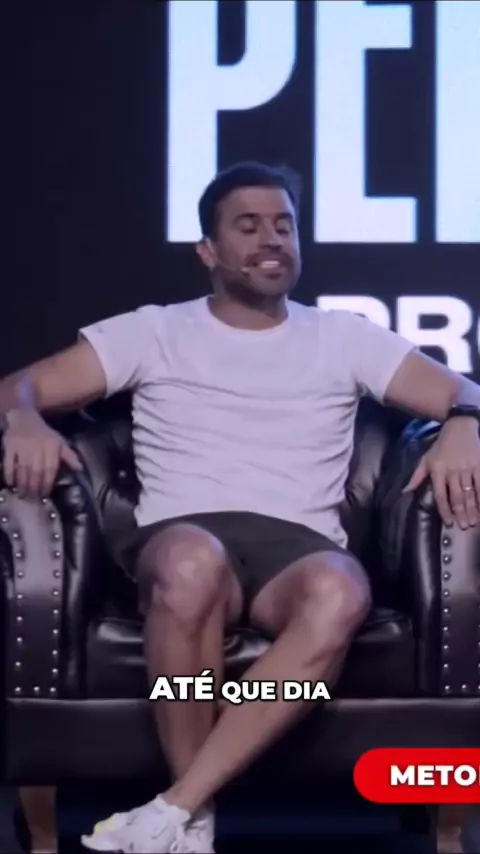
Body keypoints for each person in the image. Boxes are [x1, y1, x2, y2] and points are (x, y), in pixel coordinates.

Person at [1, 161, 479, 854]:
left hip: (299, 548)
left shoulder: (343, 336)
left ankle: (179, 812)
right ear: (209, 250)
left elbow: (464, 390)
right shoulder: (153, 331)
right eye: (248, 226)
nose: (272, 240)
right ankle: (190, 820)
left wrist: (463, 424)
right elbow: (16, 388)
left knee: (340, 592)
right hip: (184, 535)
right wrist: (22, 419)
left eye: (284, 225)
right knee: (193, 565)